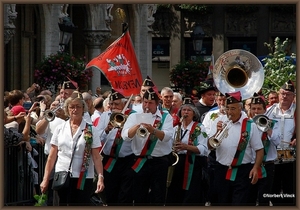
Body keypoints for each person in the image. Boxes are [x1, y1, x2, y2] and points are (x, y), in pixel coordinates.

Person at [40, 93, 105, 206]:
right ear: (67, 109)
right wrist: (45, 179)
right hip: (62, 176)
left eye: (78, 106)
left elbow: (96, 156)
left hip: (83, 178)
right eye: (72, 107)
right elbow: (52, 156)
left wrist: (100, 177)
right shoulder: (60, 129)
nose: (75, 110)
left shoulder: (91, 129)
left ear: (83, 108)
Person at [208, 91, 264, 205]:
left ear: (240, 108)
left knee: (239, 203)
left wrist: (255, 168)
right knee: (222, 202)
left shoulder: (250, 125)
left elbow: (259, 149)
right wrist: (217, 133)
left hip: (242, 171)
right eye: (227, 108)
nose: (229, 112)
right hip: (221, 170)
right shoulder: (219, 121)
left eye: (233, 108)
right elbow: (210, 146)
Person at [121, 87, 174, 205]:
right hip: (140, 161)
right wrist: (136, 126)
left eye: (150, 103)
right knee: (139, 196)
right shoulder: (134, 116)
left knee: (158, 196)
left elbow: (167, 137)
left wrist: (153, 130)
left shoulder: (165, 117)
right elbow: (125, 136)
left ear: (157, 103)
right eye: (145, 102)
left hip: (159, 161)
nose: (147, 106)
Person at [35, 80, 77, 205]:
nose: (63, 96)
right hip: (52, 159)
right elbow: (38, 130)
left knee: (68, 196)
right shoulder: (54, 111)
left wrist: (66, 116)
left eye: (67, 94)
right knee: (53, 195)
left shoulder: (78, 111)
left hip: (69, 159)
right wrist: (48, 117)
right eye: (62, 93)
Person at [165, 98, 208, 205]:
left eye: (189, 110)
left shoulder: (200, 128)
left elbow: (204, 149)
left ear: (194, 114)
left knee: (191, 195)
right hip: (177, 163)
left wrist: (186, 147)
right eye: (184, 110)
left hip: (193, 164)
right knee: (175, 193)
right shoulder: (176, 128)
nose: (186, 112)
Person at [96, 89, 136, 205]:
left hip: (127, 161)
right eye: (111, 104)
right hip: (109, 161)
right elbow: (98, 138)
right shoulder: (105, 115)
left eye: (117, 104)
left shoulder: (133, 116)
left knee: (125, 196)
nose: (113, 107)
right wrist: (106, 130)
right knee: (110, 194)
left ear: (124, 104)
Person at [265, 80, 296, 206]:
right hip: (273, 153)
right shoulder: (270, 111)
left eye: (288, 94)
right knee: (274, 185)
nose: (284, 96)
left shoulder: (297, 111)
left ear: (293, 97)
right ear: (278, 95)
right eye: (282, 93)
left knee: (290, 186)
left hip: (291, 153)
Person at [247, 92, 280, 206]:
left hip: (267, 165)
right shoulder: (246, 124)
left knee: (264, 199)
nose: (256, 111)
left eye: (259, 109)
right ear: (250, 109)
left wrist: (267, 129)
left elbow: (277, 142)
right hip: (250, 165)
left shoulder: (273, 123)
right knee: (249, 197)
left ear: (265, 109)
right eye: (253, 108)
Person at [201, 91, 226, 206]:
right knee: (214, 183)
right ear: (216, 100)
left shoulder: (238, 113)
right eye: (219, 100)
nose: (222, 103)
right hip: (213, 153)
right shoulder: (210, 114)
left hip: (230, 153)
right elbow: (204, 133)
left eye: (224, 100)